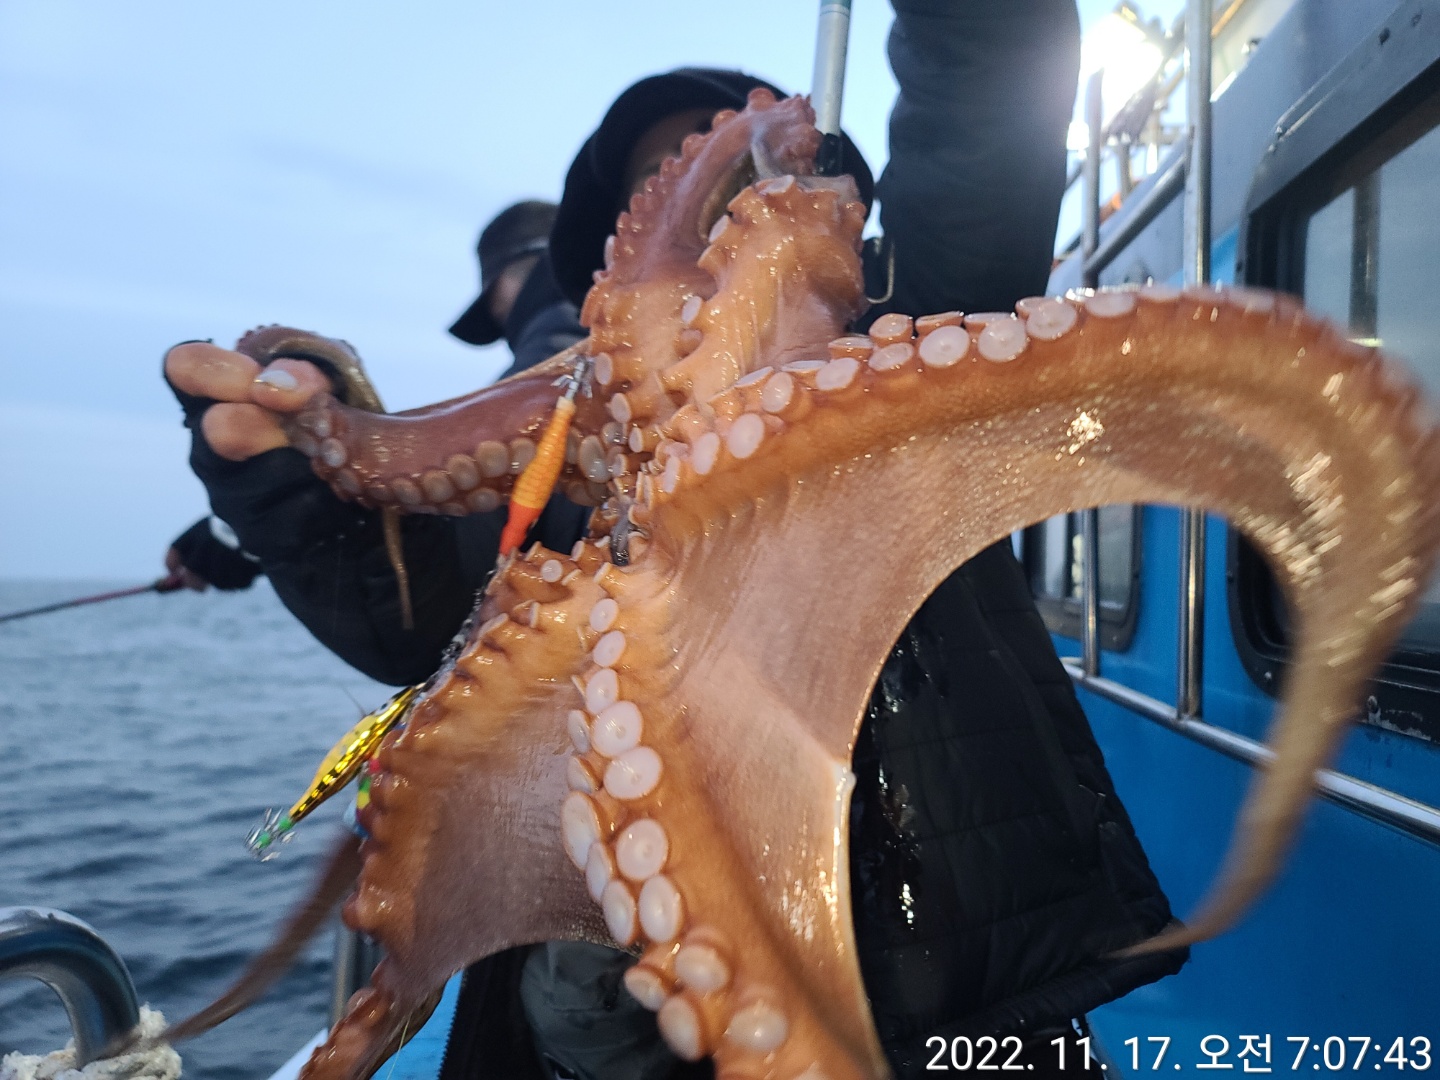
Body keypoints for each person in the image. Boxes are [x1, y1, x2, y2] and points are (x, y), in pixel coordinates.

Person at [163, 3, 1187, 1076]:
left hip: (953, 976)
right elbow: (408, 608)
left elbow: (977, 130)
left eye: (737, 173)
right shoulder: (569, 428)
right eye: (663, 183)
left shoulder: (906, 325)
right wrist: (279, 473)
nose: (709, 204)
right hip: (608, 1001)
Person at [158, 198, 578, 599]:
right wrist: (238, 534)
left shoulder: (563, 344)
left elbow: (476, 546)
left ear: (504, 283)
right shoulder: (584, 342)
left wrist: (253, 526)